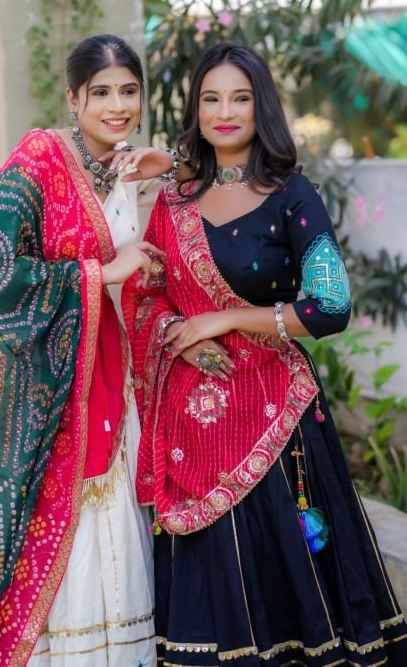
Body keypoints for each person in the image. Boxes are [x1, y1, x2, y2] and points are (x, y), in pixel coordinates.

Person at [122, 42, 407, 667]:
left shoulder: (292, 195)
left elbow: (330, 306)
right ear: (196, 109)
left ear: (262, 107)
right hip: (191, 427)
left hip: (276, 420)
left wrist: (224, 318)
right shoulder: (174, 202)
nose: (225, 112)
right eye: (211, 99)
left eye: (240, 98)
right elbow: (148, 295)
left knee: (287, 592)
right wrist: (182, 336)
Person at [0, 34, 181, 667]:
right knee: (60, 523)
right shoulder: (37, 160)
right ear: (73, 99)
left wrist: (169, 166)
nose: (118, 106)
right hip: (46, 387)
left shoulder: (124, 166)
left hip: (113, 374)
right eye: (101, 93)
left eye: (129, 91)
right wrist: (101, 273)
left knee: (114, 517)